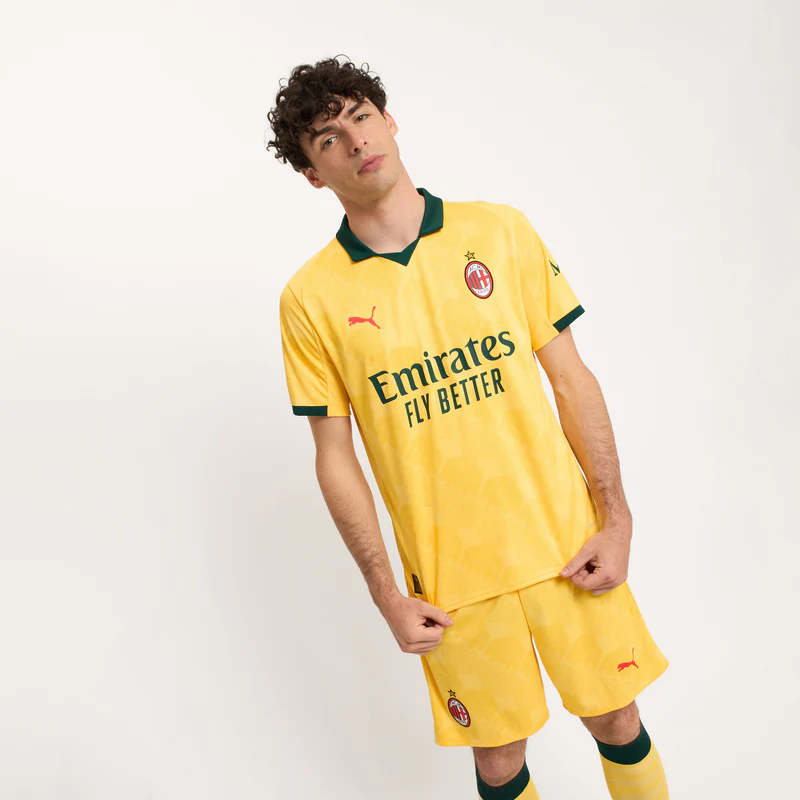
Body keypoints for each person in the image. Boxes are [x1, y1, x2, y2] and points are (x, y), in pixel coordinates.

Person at [265, 54, 670, 799]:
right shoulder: (310, 299)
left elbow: (572, 380)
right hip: (453, 579)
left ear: (390, 121)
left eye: (360, 117)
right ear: (314, 175)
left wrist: (616, 519)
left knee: (617, 717)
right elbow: (335, 457)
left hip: (564, 543)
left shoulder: (500, 231)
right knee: (497, 762)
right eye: (327, 139)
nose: (355, 140)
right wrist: (385, 591)